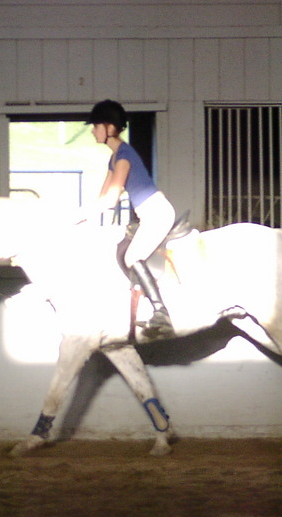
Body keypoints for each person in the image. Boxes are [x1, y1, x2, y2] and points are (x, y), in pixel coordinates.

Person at [86, 99, 176, 338]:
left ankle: (161, 313)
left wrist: (77, 217)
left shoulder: (124, 155)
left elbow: (111, 199)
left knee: (132, 256)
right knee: (121, 248)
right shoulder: (114, 158)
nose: (93, 131)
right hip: (147, 215)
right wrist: (85, 219)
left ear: (109, 128)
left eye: (96, 126)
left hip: (157, 213)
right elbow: (101, 197)